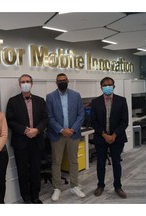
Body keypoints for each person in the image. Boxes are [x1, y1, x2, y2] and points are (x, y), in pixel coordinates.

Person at [6, 74, 48, 204]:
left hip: (37, 140)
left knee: (35, 171)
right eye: (23, 82)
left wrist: (37, 130)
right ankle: (26, 198)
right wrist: (25, 130)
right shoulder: (12, 101)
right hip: (21, 142)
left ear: (32, 84)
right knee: (22, 171)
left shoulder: (40, 101)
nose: (25, 83)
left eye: (28, 81)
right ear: (19, 84)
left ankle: (35, 196)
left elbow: (45, 119)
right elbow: (10, 121)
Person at [46, 73, 85, 201]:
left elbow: (81, 114)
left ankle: (74, 185)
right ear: (56, 83)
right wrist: (62, 130)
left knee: (74, 161)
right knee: (56, 162)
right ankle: (57, 188)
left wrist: (72, 129)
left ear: (68, 81)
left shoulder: (76, 95)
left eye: (64, 80)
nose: (62, 82)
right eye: (59, 80)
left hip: (73, 134)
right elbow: (50, 117)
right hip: (57, 135)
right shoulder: (50, 97)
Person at [90, 77, 128, 199]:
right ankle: (100, 185)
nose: (107, 87)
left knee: (116, 162)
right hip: (101, 138)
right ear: (101, 87)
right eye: (105, 85)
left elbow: (124, 121)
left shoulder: (121, 101)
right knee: (100, 163)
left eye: (110, 85)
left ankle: (118, 186)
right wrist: (104, 134)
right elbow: (93, 121)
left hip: (117, 138)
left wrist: (114, 135)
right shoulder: (95, 102)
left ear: (114, 86)